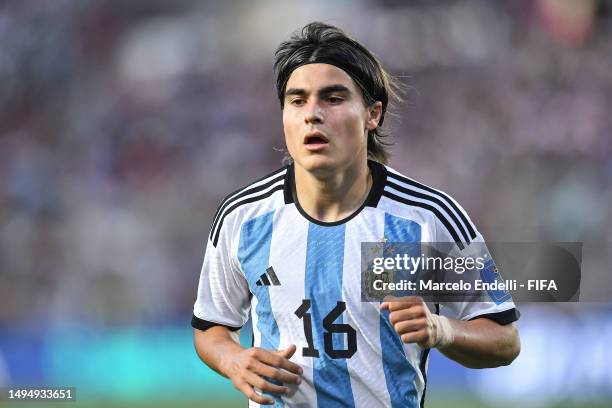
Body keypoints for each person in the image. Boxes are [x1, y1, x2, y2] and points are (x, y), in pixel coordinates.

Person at [192, 21, 520, 407]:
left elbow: (504, 339)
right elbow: (212, 325)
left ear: (372, 114)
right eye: (297, 101)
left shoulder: (426, 218)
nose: (312, 114)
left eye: (332, 99)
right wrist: (233, 359)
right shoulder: (242, 218)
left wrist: (441, 329)